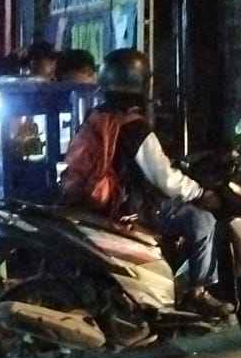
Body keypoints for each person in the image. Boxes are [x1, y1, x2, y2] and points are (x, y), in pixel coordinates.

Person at [61, 48, 231, 318]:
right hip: (136, 206)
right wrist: (200, 192)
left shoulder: (97, 116)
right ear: (138, 83)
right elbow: (164, 178)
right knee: (203, 221)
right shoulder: (134, 125)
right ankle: (198, 293)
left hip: (100, 201)